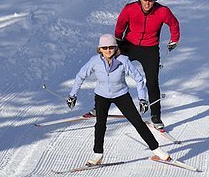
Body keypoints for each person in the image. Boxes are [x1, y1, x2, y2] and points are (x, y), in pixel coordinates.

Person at [66, 34, 170, 166]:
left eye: (111, 47)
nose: (108, 50)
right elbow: (81, 75)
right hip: (102, 96)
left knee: (137, 122)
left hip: (121, 95)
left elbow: (138, 78)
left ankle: (157, 150)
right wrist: (72, 94)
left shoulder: (123, 60)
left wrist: (142, 99)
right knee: (100, 125)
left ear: (116, 48)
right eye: (105, 48)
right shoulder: (95, 61)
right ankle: (98, 154)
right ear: (100, 49)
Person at [114, 0, 180, 129]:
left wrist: (174, 39)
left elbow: (174, 24)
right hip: (129, 45)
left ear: (155, 0)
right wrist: (118, 40)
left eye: (151, 0)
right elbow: (120, 24)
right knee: (112, 73)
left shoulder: (162, 11)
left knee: (152, 83)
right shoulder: (130, 9)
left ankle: (156, 117)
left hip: (150, 49)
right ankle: (99, 107)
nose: (147, 3)